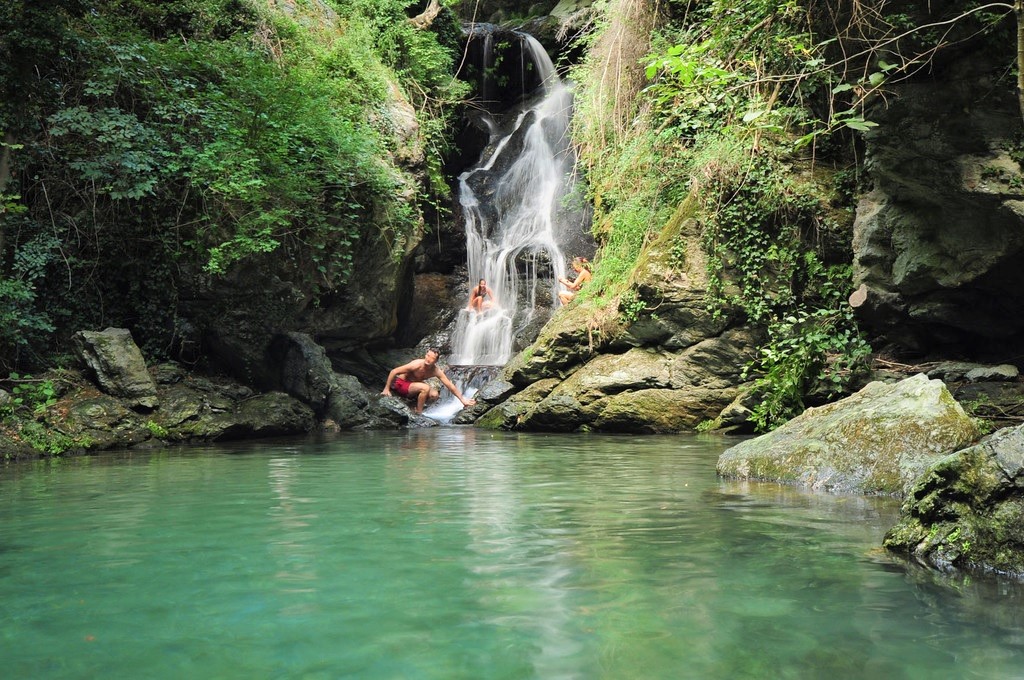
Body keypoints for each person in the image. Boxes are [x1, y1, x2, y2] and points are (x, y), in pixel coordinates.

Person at [381, 348, 477, 414]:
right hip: (401, 384)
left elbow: (450, 385)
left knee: (434, 395)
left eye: (432, 358)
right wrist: (386, 389)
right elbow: (394, 371)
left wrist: (463, 400)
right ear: (425, 355)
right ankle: (419, 412)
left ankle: (414, 405)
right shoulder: (416, 364)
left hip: (413, 386)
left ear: (435, 361)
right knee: (425, 388)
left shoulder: (436, 371)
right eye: (428, 356)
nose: (428, 359)